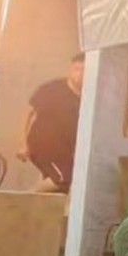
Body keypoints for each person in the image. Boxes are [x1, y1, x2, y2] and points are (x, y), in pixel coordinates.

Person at [21, 53, 84, 193]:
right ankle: (27, 197)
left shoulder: (88, 95)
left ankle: (37, 203)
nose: (80, 74)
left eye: (84, 70)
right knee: (64, 179)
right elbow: (30, 114)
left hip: (65, 149)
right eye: (76, 69)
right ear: (70, 70)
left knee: (76, 178)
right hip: (42, 142)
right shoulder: (52, 89)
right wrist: (24, 145)